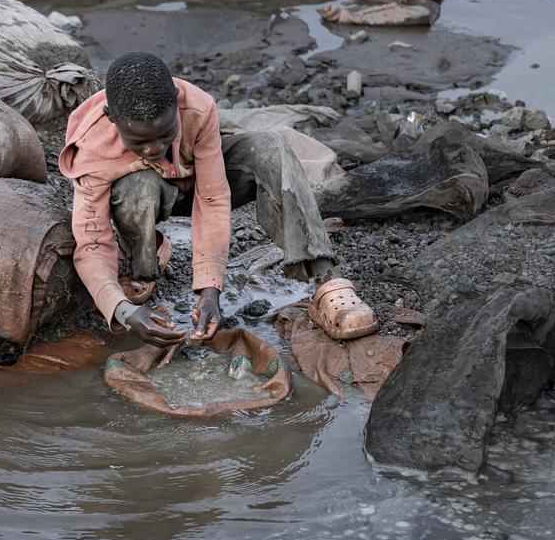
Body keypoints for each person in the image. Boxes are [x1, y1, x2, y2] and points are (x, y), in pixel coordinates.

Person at [59, 51, 378, 350]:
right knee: (137, 187)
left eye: (165, 134)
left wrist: (210, 290)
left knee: (269, 147)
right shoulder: (92, 147)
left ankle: (326, 278)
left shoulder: (197, 108)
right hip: (140, 197)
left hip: (192, 179)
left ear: (176, 103)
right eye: (140, 141)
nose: (154, 148)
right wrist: (123, 311)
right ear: (111, 118)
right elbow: (91, 243)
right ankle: (141, 267)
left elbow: (211, 199)